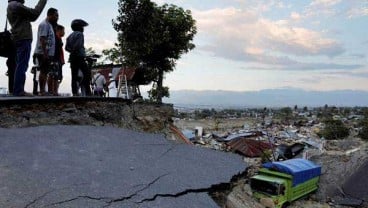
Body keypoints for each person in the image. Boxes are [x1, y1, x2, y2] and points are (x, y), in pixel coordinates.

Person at [7, 0, 47, 96]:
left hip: (18, 38)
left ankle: (17, 90)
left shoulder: (11, 6)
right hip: (23, 38)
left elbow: (31, 17)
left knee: (19, 64)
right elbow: (34, 14)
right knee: (22, 65)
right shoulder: (16, 6)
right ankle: (18, 90)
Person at [33, 7, 58, 96]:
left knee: (45, 71)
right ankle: (42, 91)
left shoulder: (50, 25)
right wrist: (45, 53)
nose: (57, 17)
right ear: (50, 15)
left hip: (47, 53)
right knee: (43, 71)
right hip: (42, 53)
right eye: (56, 15)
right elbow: (42, 39)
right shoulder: (44, 25)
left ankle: (43, 91)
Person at [65, 19, 91, 96]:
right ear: (79, 27)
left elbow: (66, 48)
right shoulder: (80, 34)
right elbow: (78, 45)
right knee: (87, 74)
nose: (83, 28)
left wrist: (72, 51)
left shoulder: (69, 36)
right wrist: (75, 51)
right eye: (82, 27)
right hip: (79, 57)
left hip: (72, 58)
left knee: (74, 76)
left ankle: (75, 93)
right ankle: (88, 92)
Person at [52, 24, 65, 96]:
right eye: (63, 31)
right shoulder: (56, 38)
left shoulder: (59, 38)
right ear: (59, 30)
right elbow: (56, 50)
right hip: (57, 59)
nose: (64, 32)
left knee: (58, 76)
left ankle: (54, 91)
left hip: (59, 59)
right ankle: (54, 91)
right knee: (56, 75)